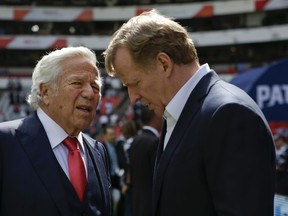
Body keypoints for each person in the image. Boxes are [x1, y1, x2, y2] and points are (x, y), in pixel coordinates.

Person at [103, 9, 276, 216]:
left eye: (135, 83)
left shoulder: (229, 114)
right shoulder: (179, 113)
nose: (133, 98)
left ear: (164, 64)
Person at [0, 46, 112, 216]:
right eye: (77, 83)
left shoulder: (98, 151)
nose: (90, 93)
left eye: (95, 87)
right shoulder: (5, 141)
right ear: (45, 92)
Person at [129, 107, 163, 216]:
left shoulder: (135, 140)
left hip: (136, 199)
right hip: (151, 201)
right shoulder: (155, 142)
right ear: (155, 118)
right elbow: (157, 175)